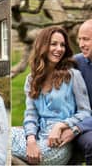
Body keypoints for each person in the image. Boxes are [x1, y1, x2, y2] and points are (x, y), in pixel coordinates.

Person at [11, 26, 91, 165]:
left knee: (1, 147)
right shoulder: (31, 79)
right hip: (37, 136)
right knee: (0, 135)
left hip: (58, 144)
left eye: (62, 45)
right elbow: (31, 114)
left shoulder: (73, 76)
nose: (59, 49)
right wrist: (30, 140)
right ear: (42, 46)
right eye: (53, 44)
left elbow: (85, 112)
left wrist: (62, 124)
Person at [60, 19, 92, 165]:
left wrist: (78, 128)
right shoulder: (76, 63)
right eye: (79, 39)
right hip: (77, 122)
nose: (81, 44)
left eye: (86, 39)